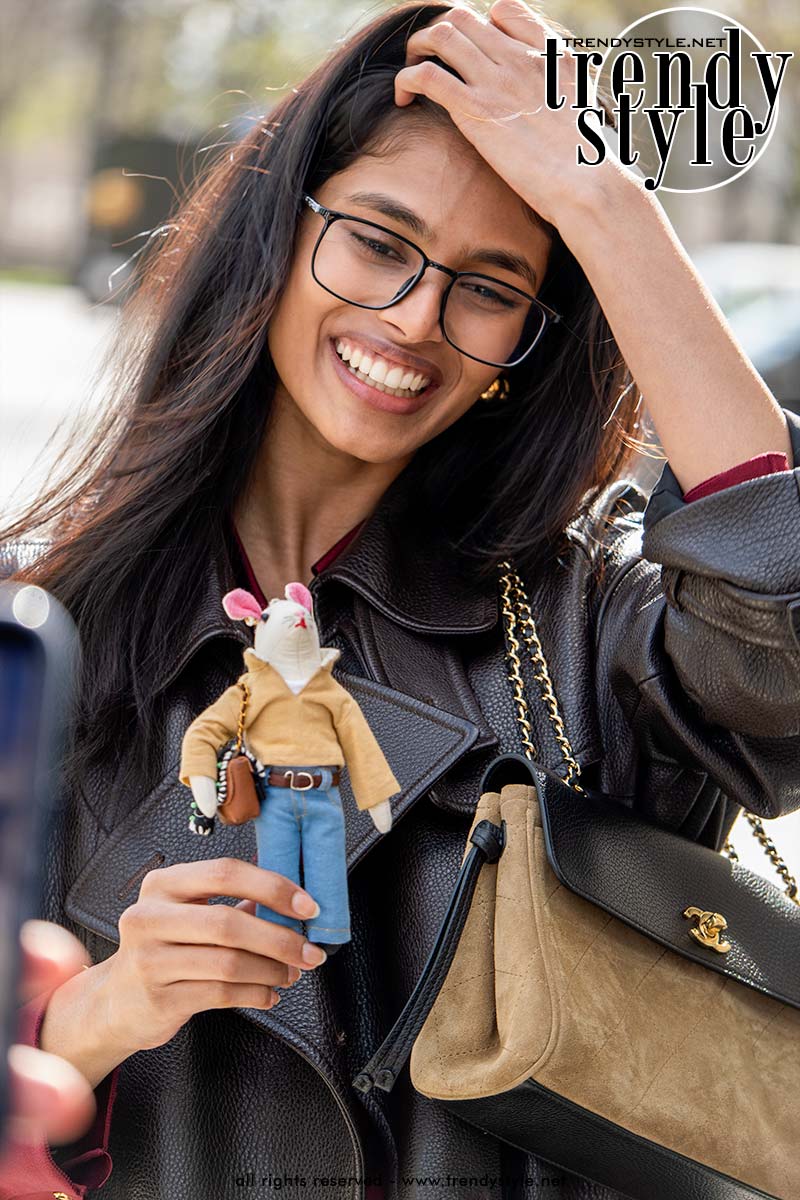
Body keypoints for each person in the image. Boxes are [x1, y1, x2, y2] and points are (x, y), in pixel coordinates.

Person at [1, 1, 798, 1196]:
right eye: (376, 242)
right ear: (279, 233)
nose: (413, 320)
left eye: (488, 287)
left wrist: (611, 207)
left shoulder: (589, 617)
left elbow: (779, 644)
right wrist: (106, 1008)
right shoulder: (49, 638)